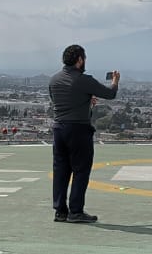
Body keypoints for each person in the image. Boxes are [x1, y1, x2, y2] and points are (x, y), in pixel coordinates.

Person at [48, 44, 119, 223]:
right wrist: (115, 81)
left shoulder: (54, 80)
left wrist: (85, 101)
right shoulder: (83, 80)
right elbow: (110, 94)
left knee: (60, 170)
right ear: (79, 60)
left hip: (59, 129)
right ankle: (76, 211)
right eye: (84, 58)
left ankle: (60, 211)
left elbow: (60, 101)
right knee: (80, 170)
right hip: (78, 130)